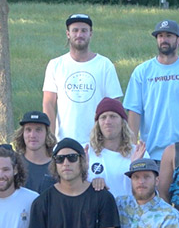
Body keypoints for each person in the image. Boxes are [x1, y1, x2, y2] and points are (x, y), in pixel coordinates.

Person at [123, 19, 179, 161]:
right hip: (151, 154)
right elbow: (134, 111)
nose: (164, 40)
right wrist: (133, 149)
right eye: (160, 36)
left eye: (169, 36)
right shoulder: (142, 72)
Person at [43, 13, 123, 144]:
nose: (79, 34)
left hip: (98, 143)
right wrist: (50, 140)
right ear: (68, 34)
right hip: (64, 143)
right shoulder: (55, 65)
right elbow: (48, 104)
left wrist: (112, 141)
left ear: (91, 33)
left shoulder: (104, 65)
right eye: (75, 30)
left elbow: (114, 105)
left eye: (84, 31)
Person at [87, 97, 147, 198]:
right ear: (98, 124)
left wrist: (136, 168)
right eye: (103, 117)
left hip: (131, 207)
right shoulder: (87, 152)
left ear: (123, 122)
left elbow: (150, 194)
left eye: (113, 116)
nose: (108, 121)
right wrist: (89, 182)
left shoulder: (138, 153)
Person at [13, 111, 57, 194]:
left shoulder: (58, 165)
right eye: (28, 130)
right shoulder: (14, 164)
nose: (33, 135)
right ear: (22, 133)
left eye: (38, 130)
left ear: (47, 133)